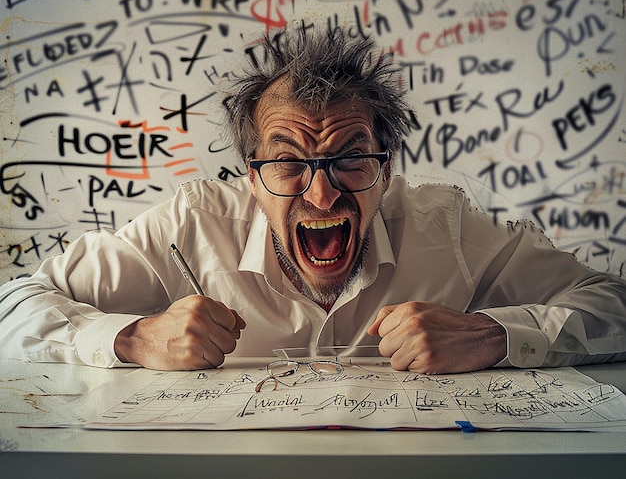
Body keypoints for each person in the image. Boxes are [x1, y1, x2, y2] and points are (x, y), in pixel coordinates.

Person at [1, 22, 625, 374]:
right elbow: (13, 303)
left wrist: (494, 333)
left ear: (387, 166)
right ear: (251, 176)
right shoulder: (190, 228)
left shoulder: (447, 227)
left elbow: (613, 303)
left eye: (351, 157)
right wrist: (133, 338)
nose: (321, 190)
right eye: (288, 163)